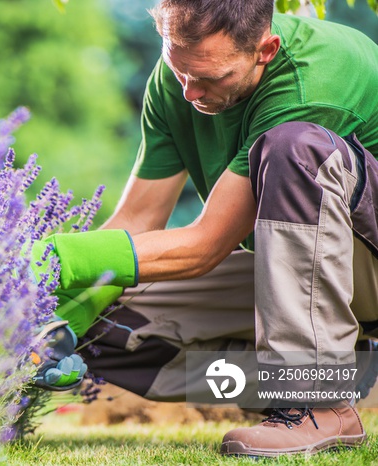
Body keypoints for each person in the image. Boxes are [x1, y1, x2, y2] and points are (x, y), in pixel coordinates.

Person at [32, 0, 378, 457]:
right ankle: (344, 370)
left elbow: (207, 244)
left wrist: (60, 256)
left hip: (366, 264)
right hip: (305, 274)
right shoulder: (183, 75)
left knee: (296, 148)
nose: (191, 93)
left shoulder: (315, 81)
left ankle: (317, 401)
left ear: (265, 50)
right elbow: (136, 222)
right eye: (181, 71)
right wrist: (61, 315)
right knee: (110, 333)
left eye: (212, 78)